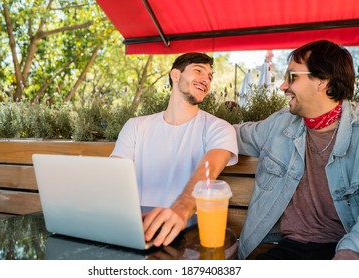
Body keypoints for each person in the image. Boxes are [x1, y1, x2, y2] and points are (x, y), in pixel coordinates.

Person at [235, 40, 359, 260]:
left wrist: (351, 250)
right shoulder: (281, 123)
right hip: (287, 249)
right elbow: (235, 135)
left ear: (322, 81)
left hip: (343, 249)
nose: (283, 86)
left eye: (292, 77)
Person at [111, 52, 238, 247]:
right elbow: (115, 174)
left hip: (187, 232)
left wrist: (180, 210)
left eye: (210, 77)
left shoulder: (219, 128)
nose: (206, 79)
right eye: (199, 71)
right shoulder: (136, 126)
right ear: (175, 75)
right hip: (134, 228)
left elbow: (209, 169)